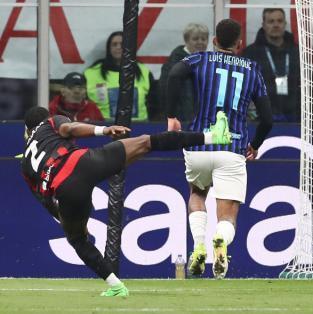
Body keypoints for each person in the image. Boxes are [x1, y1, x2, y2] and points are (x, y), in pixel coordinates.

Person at [20, 106, 223, 296]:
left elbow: (45, 199)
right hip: (83, 163)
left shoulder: (25, 163)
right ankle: (212, 136)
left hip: (65, 191)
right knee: (145, 142)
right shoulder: (50, 122)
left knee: (77, 240)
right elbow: (69, 128)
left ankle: (116, 286)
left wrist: (69, 221)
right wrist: (104, 130)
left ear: (27, 130)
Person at [166, 18, 273, 279]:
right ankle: (220, 241)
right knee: (228, 214)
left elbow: (174, 73)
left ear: (214, 41)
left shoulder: (200, 59)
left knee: (197, 193)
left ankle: (198, 246)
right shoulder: (252, 69)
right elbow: (267, 119)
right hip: (232, 147)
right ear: (239, 44)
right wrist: (255, 144)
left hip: (199, 143)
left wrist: (171, 115)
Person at [243, 8, 300, 122]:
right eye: (271, 21)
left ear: (285, 24)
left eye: (279, 21)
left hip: (295, 119)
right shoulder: (250, 53)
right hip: (261, 120)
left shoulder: (297, 52)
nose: (276, 25)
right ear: (263, 25)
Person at [84, 31, 155, 121]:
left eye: (122, 44)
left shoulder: (143, 71)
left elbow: (154, 102)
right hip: (104, 125)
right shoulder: (92, 72)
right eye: (114, 44)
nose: (118, 47)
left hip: (140, 125)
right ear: (109, 48)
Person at [158, 23, 209, 124]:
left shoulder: (207, 63)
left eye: (203, 39)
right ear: (186, 40)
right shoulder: (173, 63)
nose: (200, 42)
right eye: (195, 39)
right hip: (181, 121)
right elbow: (164, 93)